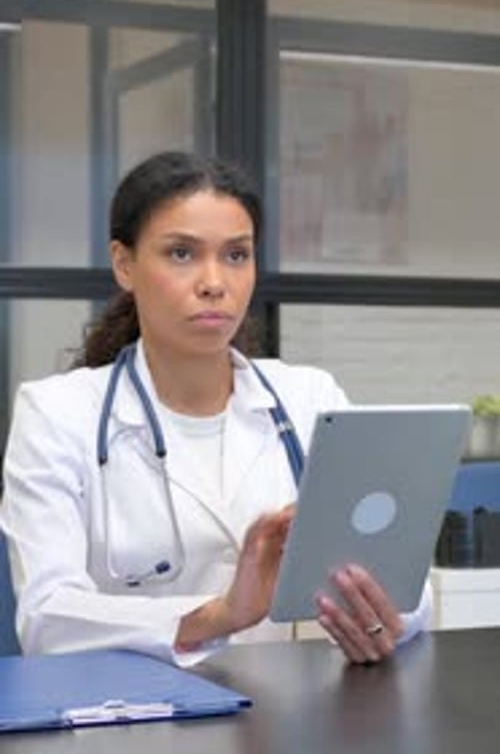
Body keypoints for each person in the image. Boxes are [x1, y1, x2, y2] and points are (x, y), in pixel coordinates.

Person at [0, 150, 431, 667]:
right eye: (182, 254)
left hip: (300, 726)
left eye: (236, 255)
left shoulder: (309, 398)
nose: (214, 281)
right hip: (135, 730)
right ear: (124, 264)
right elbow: (47, 619)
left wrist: (384, 619)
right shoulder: (57, 414)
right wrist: (221, 614)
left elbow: (408, 586)